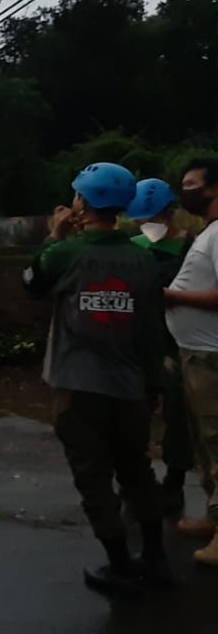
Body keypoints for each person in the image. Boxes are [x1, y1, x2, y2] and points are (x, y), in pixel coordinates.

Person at [22, 162, 167, 596]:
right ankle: (156, 560)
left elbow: (32, 283)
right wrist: (154, 385)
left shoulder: (66, 253)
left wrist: (54, 234)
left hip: (79, 387)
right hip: (130, 388)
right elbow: (151, 330)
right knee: (138, 471)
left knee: (93, 478)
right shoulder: (142, 257)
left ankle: (120, 567)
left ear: (83, 202)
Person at [126, 178, 193, 518]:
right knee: (132, 416)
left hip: (177, 344)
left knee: (177, 415)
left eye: (151, 218)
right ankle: (138, 481)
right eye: (140, 220)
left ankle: (175, 482)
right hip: (137, 344)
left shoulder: (192, 248)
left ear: (171, 213)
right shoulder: (133, 247)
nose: (146, 226)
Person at [163, 158, 218, 565]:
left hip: (211, 357)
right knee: (204, 443)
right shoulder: (209, 232)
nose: (186, 191)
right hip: (195, 354)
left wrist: (172, 296)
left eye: (191, 184)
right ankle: (215, 518)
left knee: (217, 442)